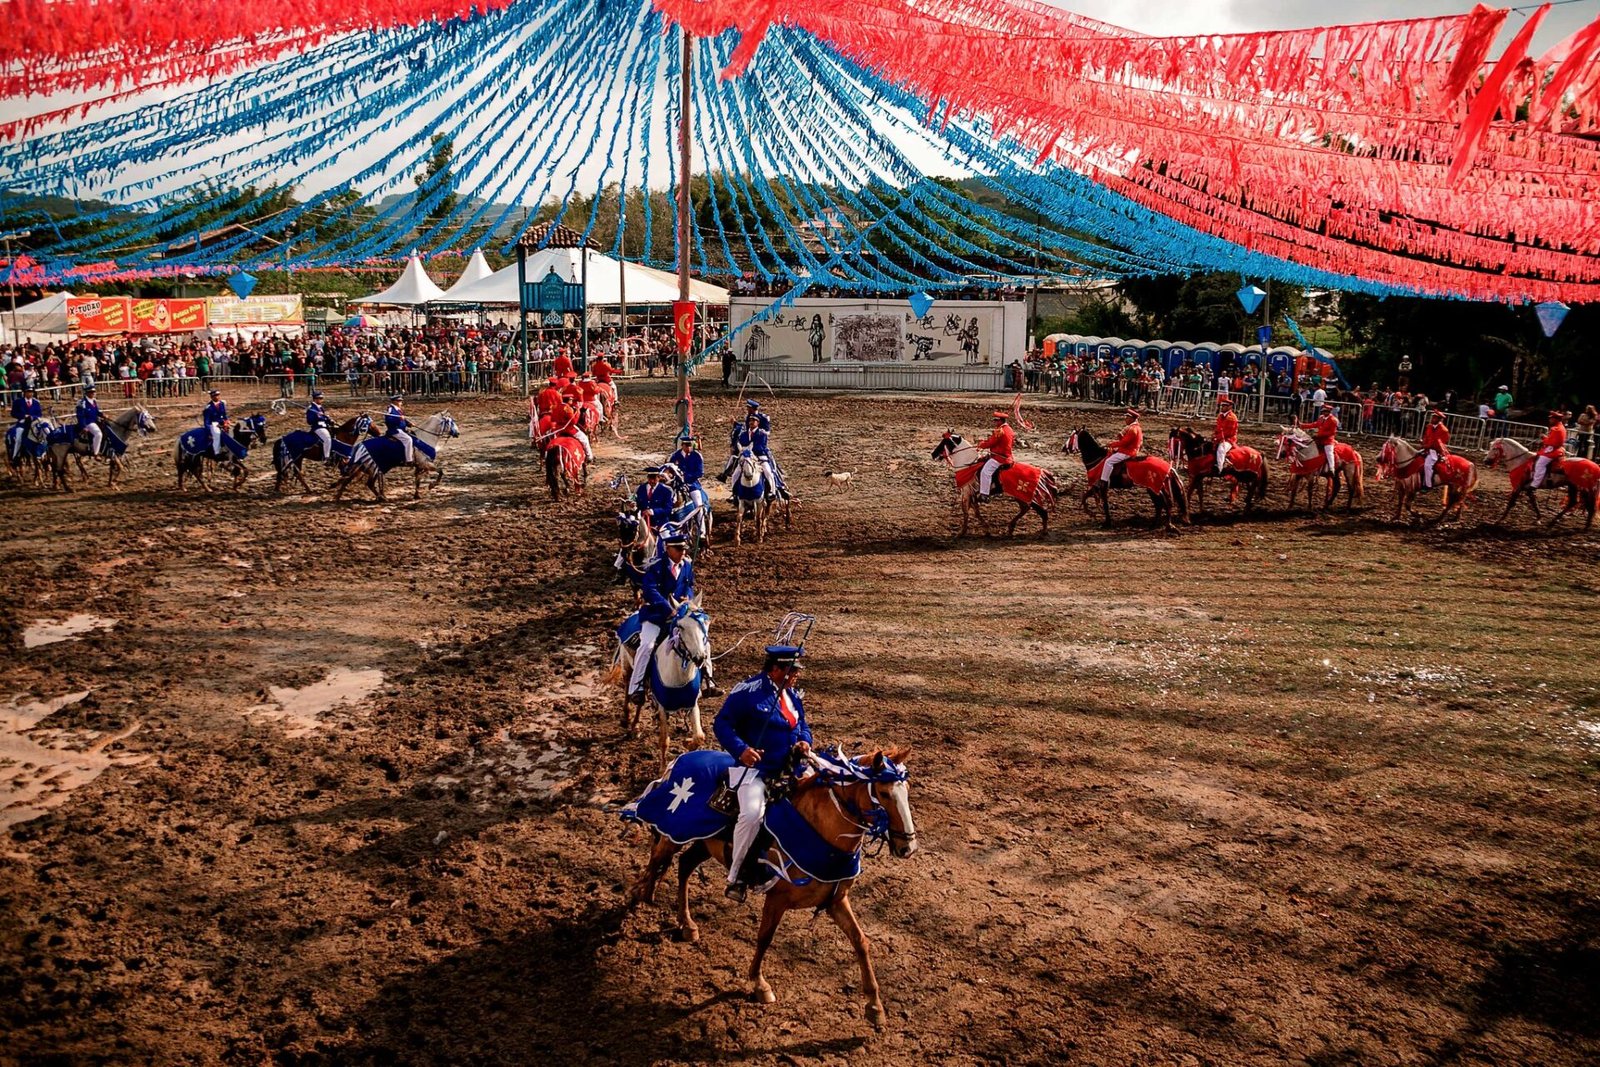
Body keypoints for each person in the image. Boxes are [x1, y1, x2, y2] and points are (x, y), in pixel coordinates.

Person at [713, 643, 812, 899]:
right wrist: (742, 750)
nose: (796, 675)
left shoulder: (793, 695)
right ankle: (737, 876)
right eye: (792, 670)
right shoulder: (748, 692)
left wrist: (804, 741)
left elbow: (802, 724)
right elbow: (722, 724)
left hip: (791, 767)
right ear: (775, 669)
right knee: (752, 814)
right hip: (757, 772)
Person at [626, 530, 696, 705]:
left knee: (700, 641)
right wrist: (667, 608)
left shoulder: (687, 566)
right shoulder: (656, 566)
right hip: (656, 615)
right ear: (667, 548)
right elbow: (650, 590)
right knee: (647, 645)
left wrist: (687, 597)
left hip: (680, 614)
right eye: (679, 549)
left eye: (684, 549)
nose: (683, 553)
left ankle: (707, 679)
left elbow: (689, 585)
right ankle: (636, 686)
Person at [974, 409, 1015, 501]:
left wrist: (981, 445)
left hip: (999, 457)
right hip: (1007, 456)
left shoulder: (999, 430)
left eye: (996, 420)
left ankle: (984, 494)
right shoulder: (1009, 429)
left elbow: (991, 443)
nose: (995, 422)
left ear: (1001, 420)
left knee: (985, 472)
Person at [1101, 408, 1143, 485]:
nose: (1125, 419)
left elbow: (1124, 443)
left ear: (1131, 418)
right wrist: (1120, 437)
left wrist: (1111, 444)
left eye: (1127, 418)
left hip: (1128, 451)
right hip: (1130, 449)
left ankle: (1104, 481)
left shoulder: (1132, 429)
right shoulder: (1136, 427)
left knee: (1108, 461)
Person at [1531, 409, 1568, 488]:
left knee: (1540, 464)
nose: (1550, 420)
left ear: (1555, 419)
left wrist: (1544, 438)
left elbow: (1552, 443)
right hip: (1554, 448)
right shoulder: (1558, 427)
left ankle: (1535, 484)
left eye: (1551, 418)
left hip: (1554, 450)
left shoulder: (1556, 429)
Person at [1300, 401, 1340, 474]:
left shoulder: (1333, 420)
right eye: (1323, 411)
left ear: (1329, 412)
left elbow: (1332, 432)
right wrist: (1302, 425)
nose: (1323, 413)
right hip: (1319, 439)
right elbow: (1314, 424)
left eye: (1325, 412)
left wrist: (1319, 435)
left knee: (1329, 452)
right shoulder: (1321, 418)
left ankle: (1332, 468)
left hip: (1328, 440)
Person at [10, 384, 42, 461]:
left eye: (31, 392)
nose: (30, 393)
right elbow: (13, 413)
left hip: (33, 424)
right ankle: (16, 455)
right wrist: (23, 416)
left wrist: (33, 417)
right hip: (22, 424)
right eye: (28, 392)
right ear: (24, 392)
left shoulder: (36, 402)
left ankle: (42, 453)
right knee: (18, 438)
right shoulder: (18, 402)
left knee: (43, 435)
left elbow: (39, 414)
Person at [1420, 407, 1450, 489]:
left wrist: (1426, 446)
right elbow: (1426, 437)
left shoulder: (1444, 430)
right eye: (1432, 417)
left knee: (1427, 465)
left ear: (1439, 419)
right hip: (1427, 448)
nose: (1432, 419)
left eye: (1434, 417)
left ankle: (1428, 485)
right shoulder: (1429, 426)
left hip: (1436, 451)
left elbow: (1438, 444)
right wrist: (1423, 443)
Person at [385, 393, 414, 463]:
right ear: (395, 401)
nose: (401, 403)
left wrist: (408, 424)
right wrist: (398, 419)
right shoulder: (390, 409)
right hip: (395, 430)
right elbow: (388, 420)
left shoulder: (398, 409)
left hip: (402, 429)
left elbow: (403, 419)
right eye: (399, 401)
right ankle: (409, 459)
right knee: (408, 440)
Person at [1212, 396, 1238, 472]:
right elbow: (1218, 428)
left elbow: (1228, 432)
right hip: (1220, 437)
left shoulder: (1231, 418)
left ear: (1230, 407)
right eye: (1222, 405)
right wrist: (1214, 435)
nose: (1222, 407)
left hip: (1229, 439)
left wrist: (1217, 438)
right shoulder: (1220, 416)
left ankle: (1220, 468)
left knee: (1221, 450)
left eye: (1224, 406)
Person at [306, 389, 333, 461]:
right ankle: (326, 457)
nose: (322, 400)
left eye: (322, 398)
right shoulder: (311, 409)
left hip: (325, 426)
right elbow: (309, 421)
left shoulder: (320, 408)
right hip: (318, 427)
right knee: (327, 438)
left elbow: (324, 418)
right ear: (315, 399)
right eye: (320, 398)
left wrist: (329, 419)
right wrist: (318, 417)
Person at [203, 388, 230, 458]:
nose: (217, 397)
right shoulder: (208, 407)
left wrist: (227, 421)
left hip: (222, 422)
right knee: (217, 435)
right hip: (213, 424)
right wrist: (209, 430)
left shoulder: (222, 404)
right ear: (212, 397)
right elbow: (207, 421)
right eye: (215, 396)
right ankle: (217, 452)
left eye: (218, 395)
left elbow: (224, 415)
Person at [76, 384, 103, 455]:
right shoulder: (82, 402)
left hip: (95, 421)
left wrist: (103, 415)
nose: (93, 393)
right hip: (88, 423)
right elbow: (80, 416)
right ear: (87, 393)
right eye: (91, 392)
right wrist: (83, 426)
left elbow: (97, 411)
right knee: (98, 434)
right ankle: (95, 452)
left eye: (94, 392)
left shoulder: (94, 401)